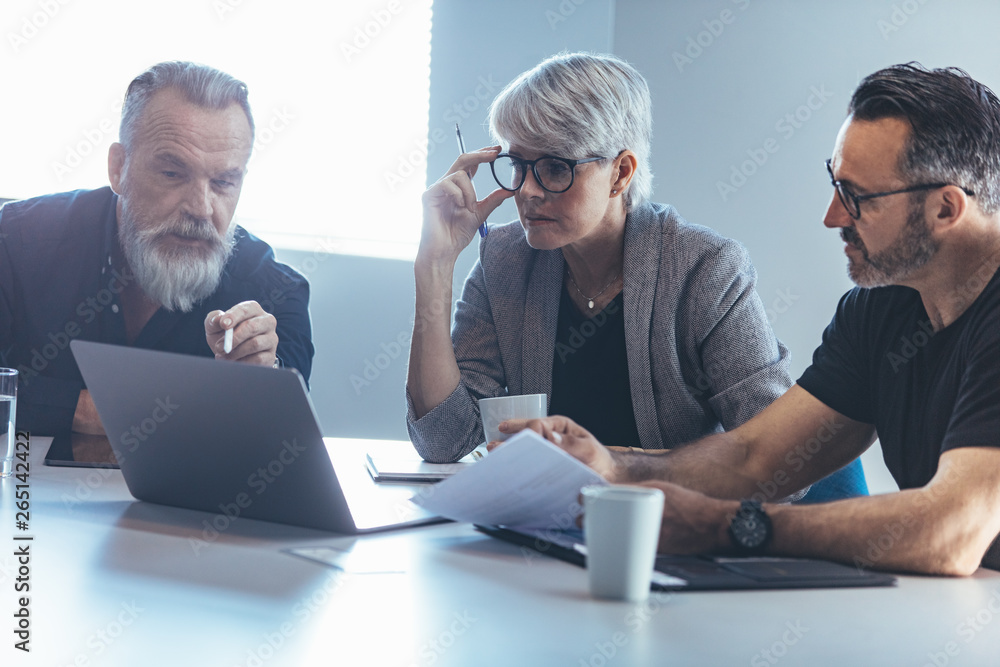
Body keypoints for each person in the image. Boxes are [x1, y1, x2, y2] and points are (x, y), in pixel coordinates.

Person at [505, 63, 1000, 575]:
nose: (832, 216)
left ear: (946, 209)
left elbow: (952, 531)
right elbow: (754, 457)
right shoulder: (882, 307)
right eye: (834, 183)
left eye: (857, 197)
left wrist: (728, 526)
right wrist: (614, 466)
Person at [404, 52, 866, 501]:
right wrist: (435, 266)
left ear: (620, 173)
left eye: (554, 168)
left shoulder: (705, 270)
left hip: (667, 536)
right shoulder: (506, 258)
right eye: (518, 165)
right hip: (553, 533)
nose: (526, 190)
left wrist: (613, 463)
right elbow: (444, 440)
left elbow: (784, 468)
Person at [0, 61, 313, 437]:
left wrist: (263, 380)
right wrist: (105, 412)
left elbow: (288, 437)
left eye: (223, 182)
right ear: (119, 168)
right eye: (172, 174)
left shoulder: (273, 292)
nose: (201, 207)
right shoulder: (16, 244)